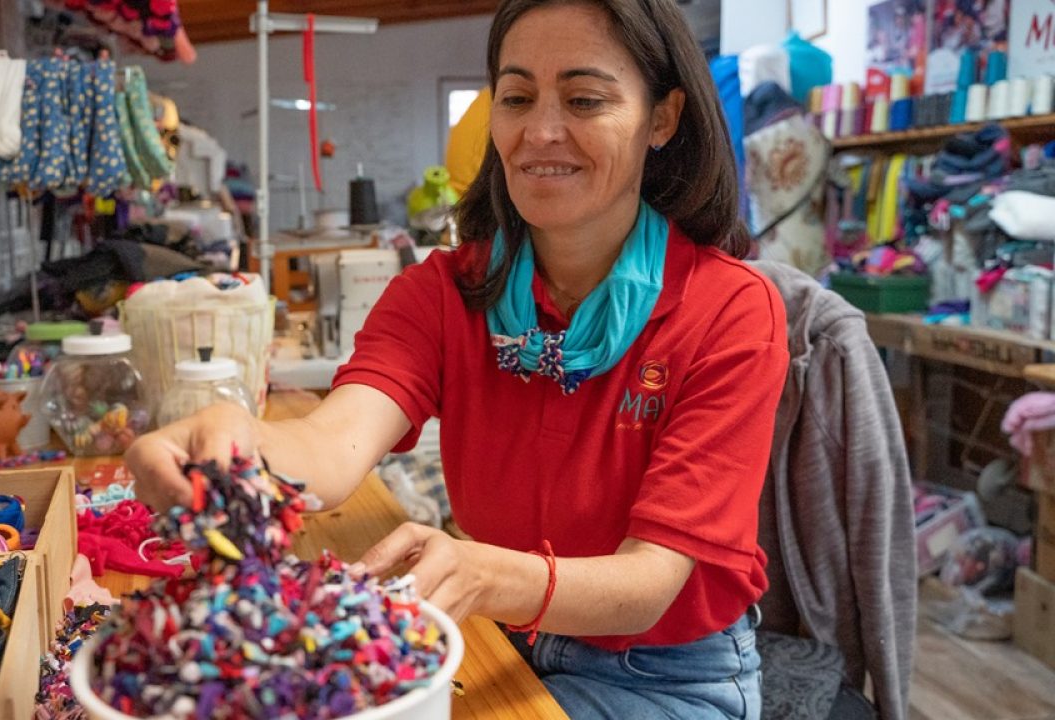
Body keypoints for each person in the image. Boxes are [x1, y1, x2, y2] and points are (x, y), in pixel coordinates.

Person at [127, 1, 788, 717]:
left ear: (662, 118)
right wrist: (236, 445)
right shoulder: (444, 293)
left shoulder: (728, 310)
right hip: (500, 634)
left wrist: (485, 574)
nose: (540, 132)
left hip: (660, 674)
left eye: (584, 100)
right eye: (517, 97)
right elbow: (333, 445)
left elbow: (650, 582)